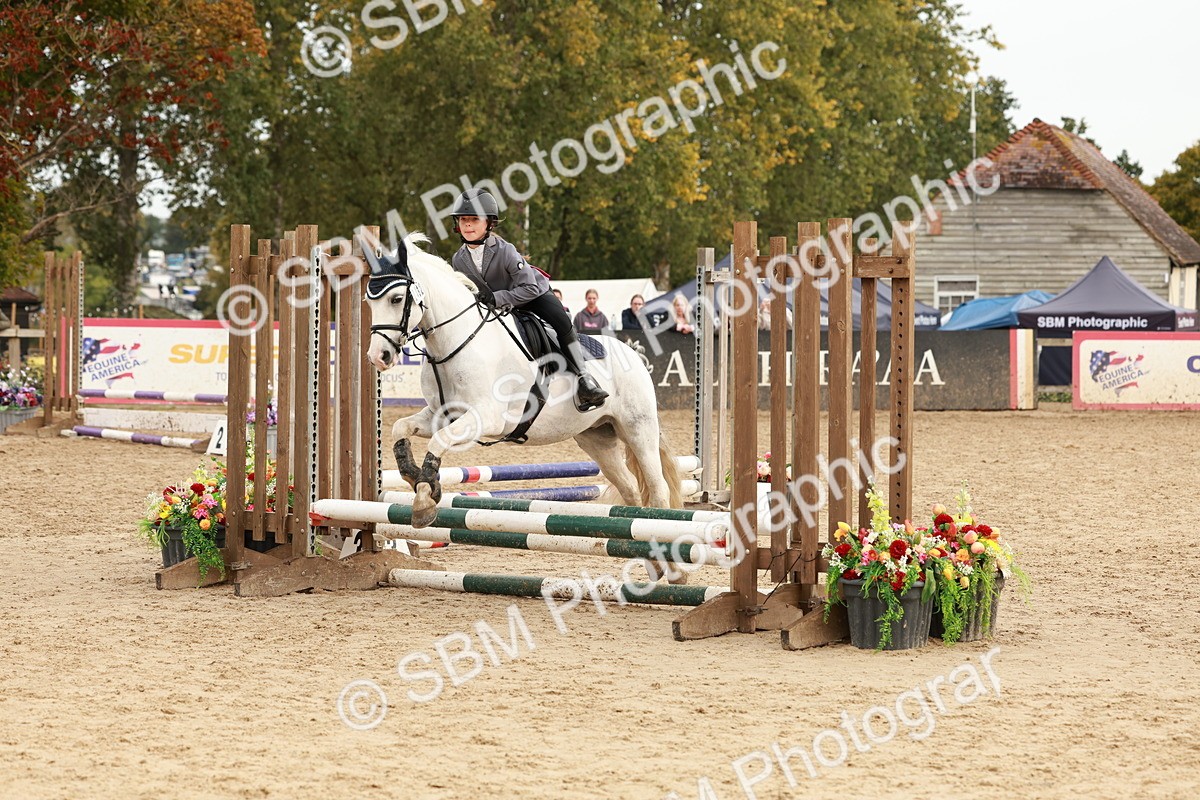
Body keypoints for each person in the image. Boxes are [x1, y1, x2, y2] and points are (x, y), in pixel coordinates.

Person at [449, 188, 608, 411]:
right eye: (463, 219)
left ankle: (585, 379)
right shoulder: (458, 259)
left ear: (489, 223)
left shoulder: (506, 251)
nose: (467, 225)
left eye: (474, 219)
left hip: (532, 294)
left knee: (561, 320)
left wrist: (496, 297)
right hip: (499, 306)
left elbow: (530, 287)